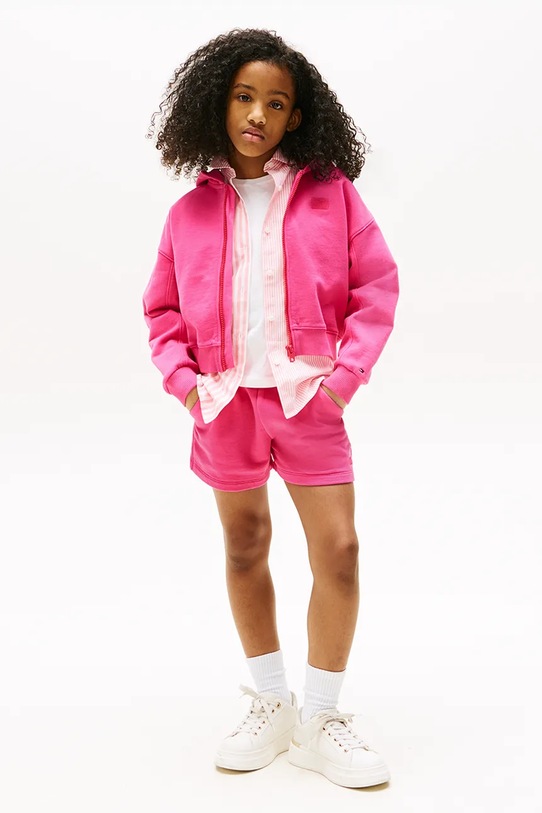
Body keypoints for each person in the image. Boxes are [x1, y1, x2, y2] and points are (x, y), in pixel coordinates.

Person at [142, 27, 399, 789]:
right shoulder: (189, 211)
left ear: (297, 117)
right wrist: (187, 384)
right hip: (225, 404)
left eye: (276, 103)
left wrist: (343, 380)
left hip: (308, 398)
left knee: (339, 550)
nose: (258, 114)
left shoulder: (331, 194)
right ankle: (272, 701)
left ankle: (320, 716)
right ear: (216, 104)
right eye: (244, 97)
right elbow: (161, 311)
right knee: (245, 544)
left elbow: (376, 286)